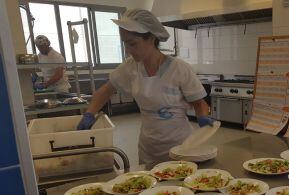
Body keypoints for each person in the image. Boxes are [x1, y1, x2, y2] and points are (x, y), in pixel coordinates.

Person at [77, 8, 213, 169]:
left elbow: (199, 103)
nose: (128, 49)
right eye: (125, 43)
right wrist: (89, 113)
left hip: (181, 146)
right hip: (149, 146)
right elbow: (106, 91)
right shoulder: (130, 67)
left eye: (133, 44)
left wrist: (203, 117)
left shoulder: (179, 69)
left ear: (151, 38)